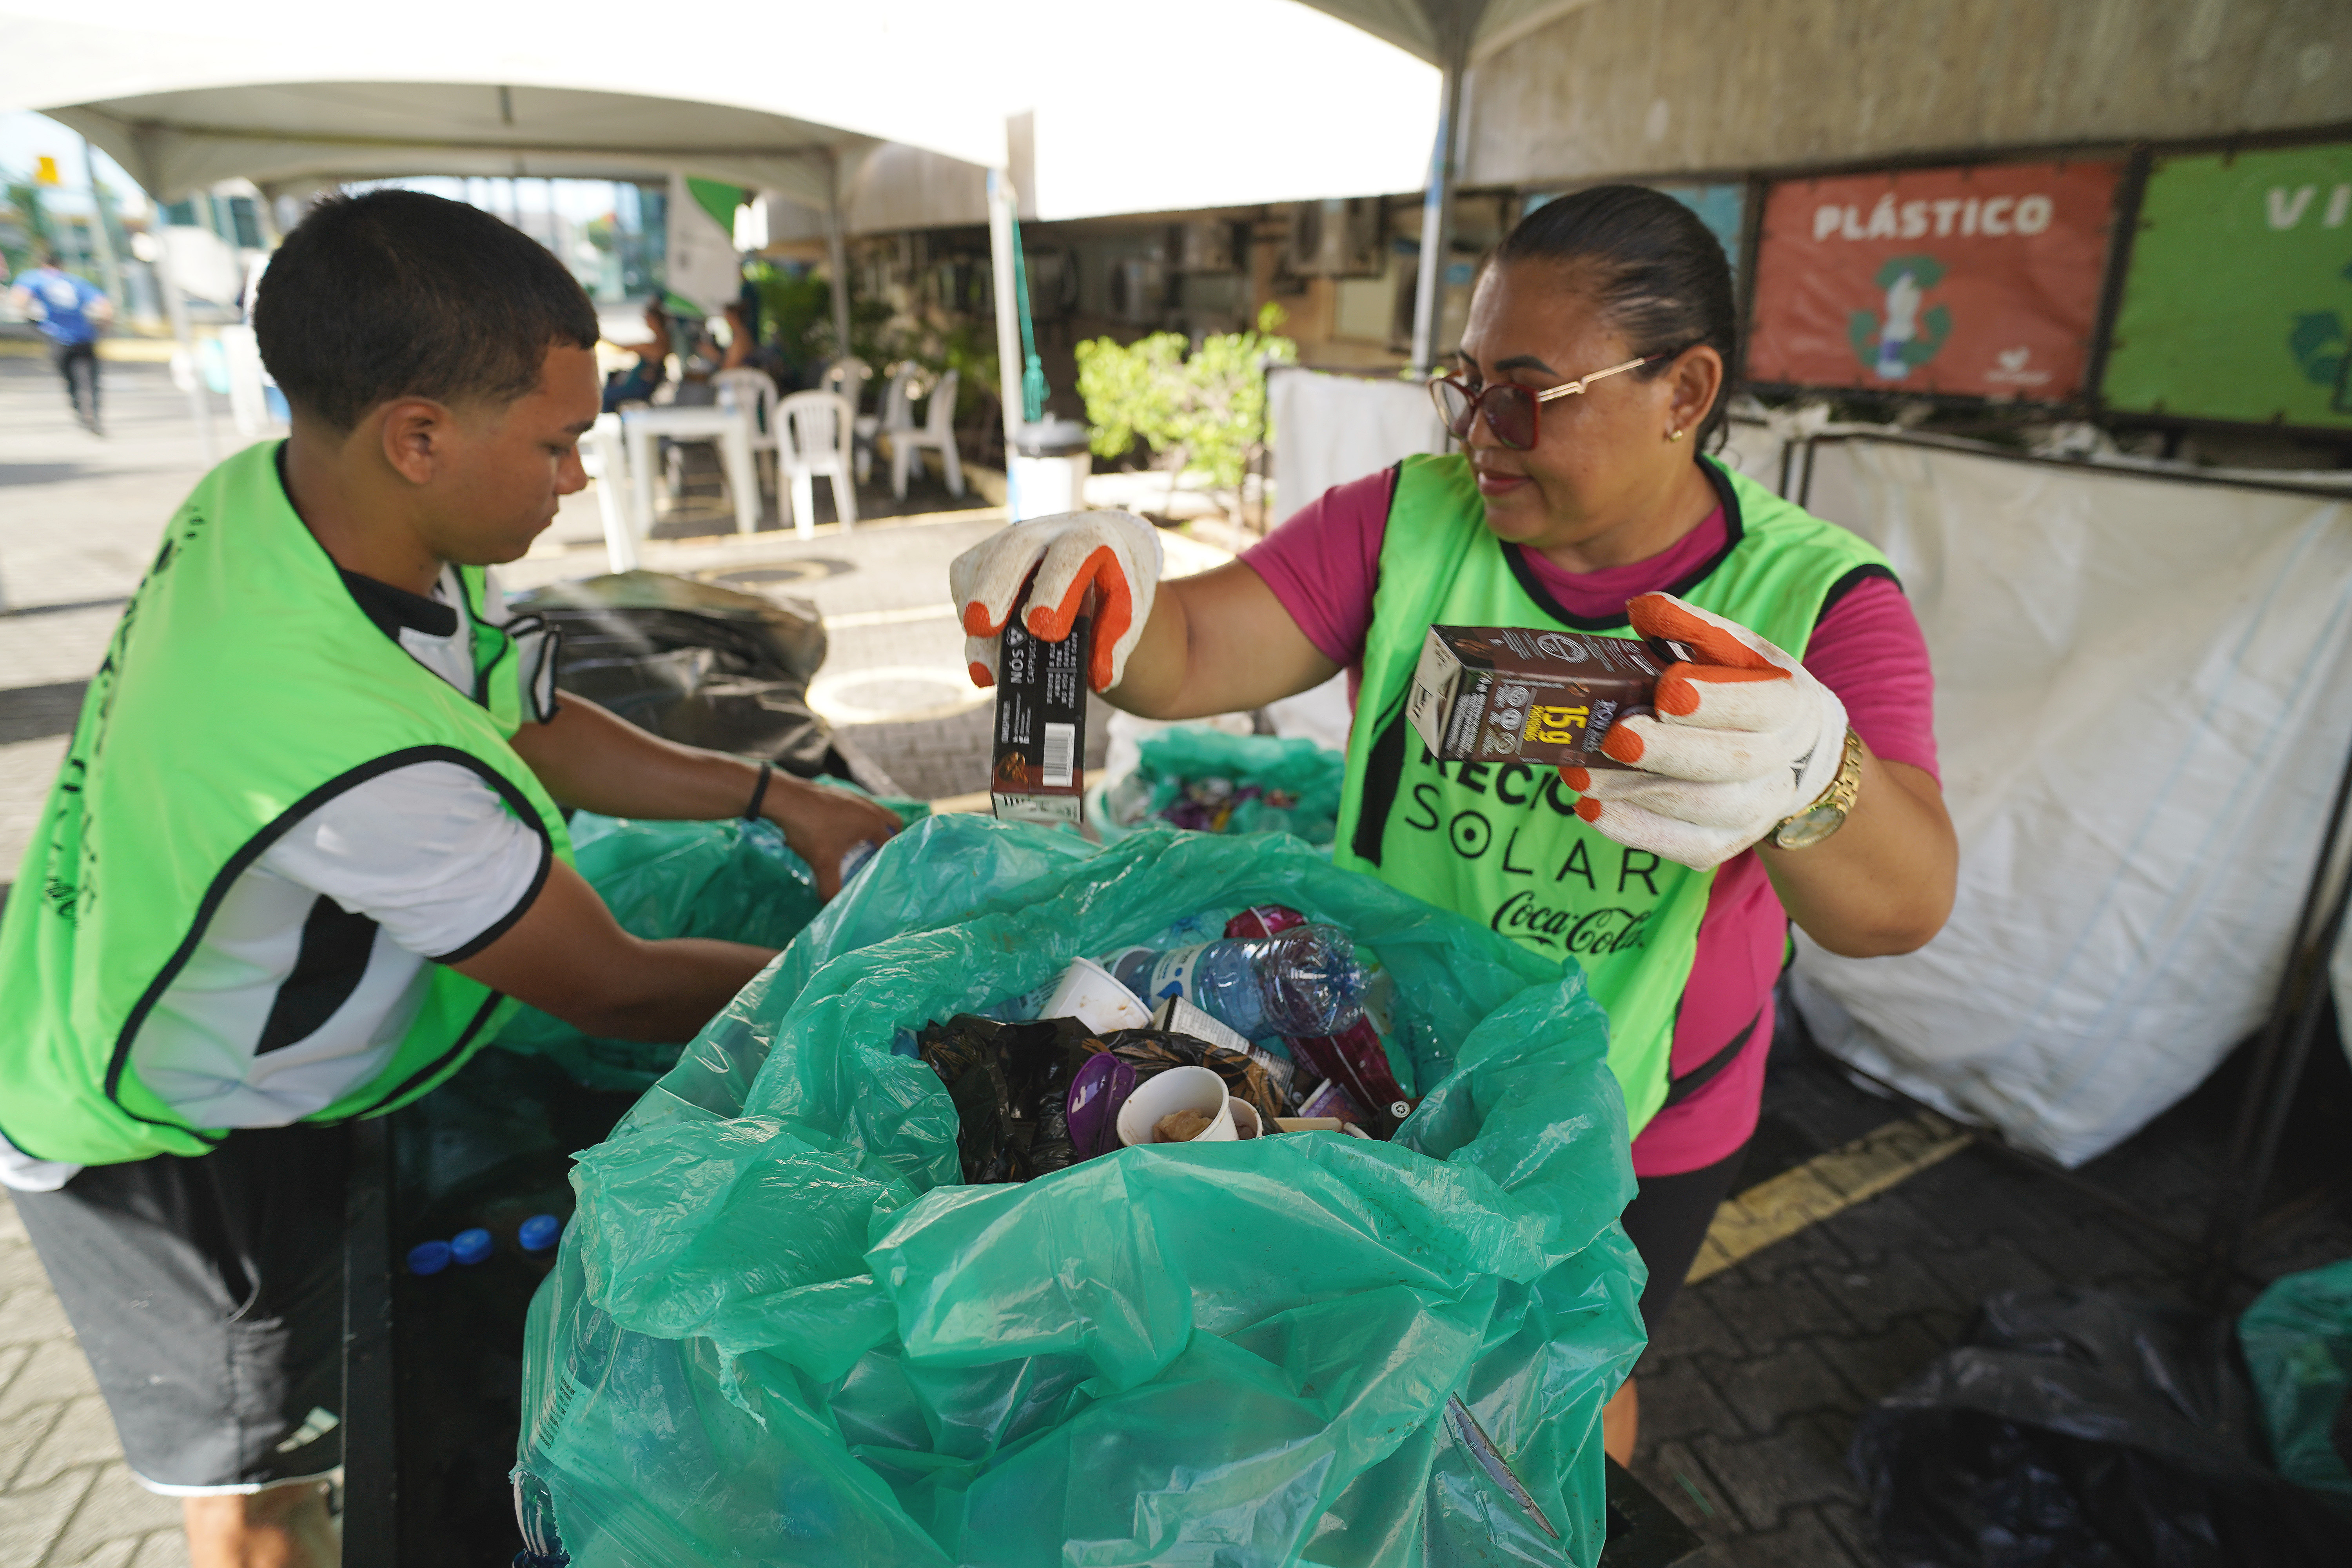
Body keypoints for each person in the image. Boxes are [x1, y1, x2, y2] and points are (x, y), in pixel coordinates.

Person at [949, 185, 1956, 1465]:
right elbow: (1201, 648)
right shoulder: (1409, 519)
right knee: (1373, 1405)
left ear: (1685, 393)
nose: (1482, 431)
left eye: (1528, 392)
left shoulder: (1821, 599)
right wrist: (1117, 601)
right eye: (1464, 383)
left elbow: (1903, 905)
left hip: (1637, 1120)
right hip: (1391, 1079)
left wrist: (1820, 770)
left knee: (1554, 1415)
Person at [0, 191, 898, 1568]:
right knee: (256, 1499)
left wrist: (789, 800)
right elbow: (613, 985)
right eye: (558, 445)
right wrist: (859, 992)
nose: (579, 483)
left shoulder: (295, 507)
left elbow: (530, 720)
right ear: (417, 435)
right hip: (160, 1139)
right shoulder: (343, 745)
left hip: (213, 1040)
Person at [9, 248, 113, 431]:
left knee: (69, 378)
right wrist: (103, 328)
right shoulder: (76, 282)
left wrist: (32, 321)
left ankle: (78, 410)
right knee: (91, 380)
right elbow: (105, 307)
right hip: (85, 337)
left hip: (57, 337)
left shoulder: (33, 278)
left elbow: (19, 299)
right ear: (61, 266)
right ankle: (95, 415)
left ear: (42, 264)